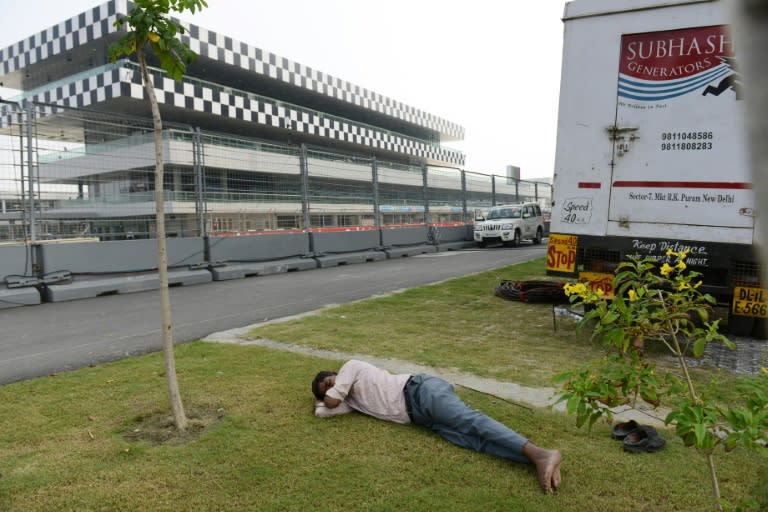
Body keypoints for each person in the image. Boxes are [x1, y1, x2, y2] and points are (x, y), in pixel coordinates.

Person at [311, 359, 562, 494]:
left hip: (420, 392)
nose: (333, 389)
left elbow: (332, 400)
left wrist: (330, 393)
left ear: (336, 374)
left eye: (331, 382)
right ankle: (535, 461)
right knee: (473, 441)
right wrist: (321, 400)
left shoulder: (350, 367)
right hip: (423, 418)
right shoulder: (350, 401)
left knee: (470, 421)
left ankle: (541, 453)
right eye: (328, 390)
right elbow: (326, 410)